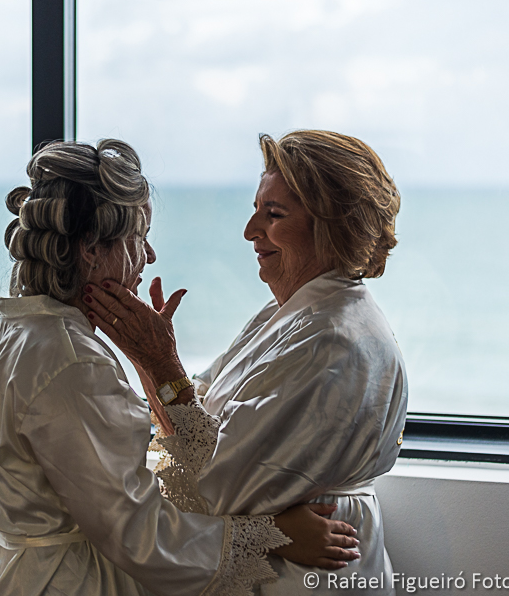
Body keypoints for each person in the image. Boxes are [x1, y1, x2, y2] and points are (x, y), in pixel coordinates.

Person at [0, 139, 361, 596]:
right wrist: (275, 536)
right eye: (139, 236)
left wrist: (152, 363)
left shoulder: (0, 338)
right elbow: (138, 533)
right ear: (91, 248)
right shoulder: (75, 363)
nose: (149, 255)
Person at [83, 130, 408, 595]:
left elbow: (214, 485)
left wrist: (158, 362)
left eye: (273, 215)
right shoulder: (288, 314)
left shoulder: (331, 341)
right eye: (256, 209)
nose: (250, 230)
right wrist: (148, 361)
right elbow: (193, 420)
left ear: (332, 225)